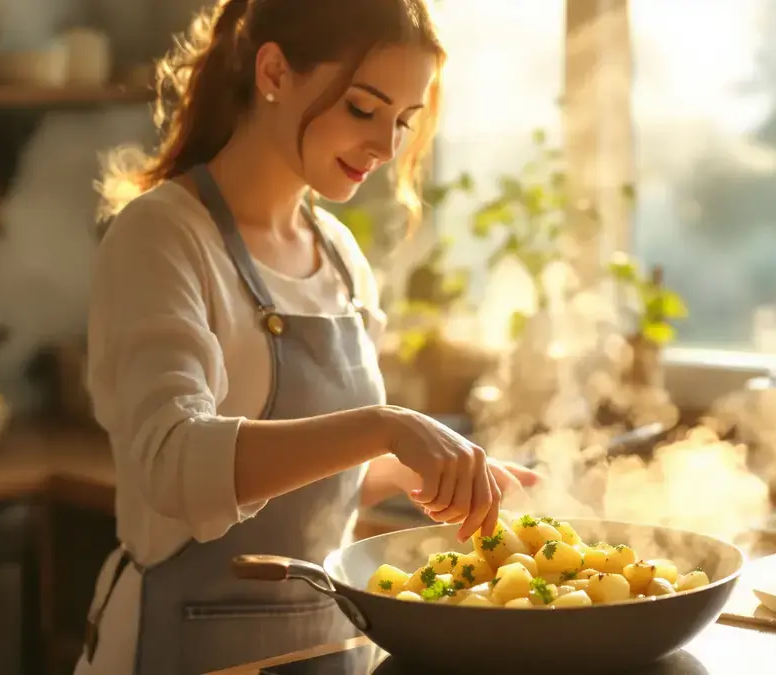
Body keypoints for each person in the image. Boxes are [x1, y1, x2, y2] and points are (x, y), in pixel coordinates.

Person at [74, 0, 539, 673]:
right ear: (273, 71)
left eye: (403, 122)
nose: (386, 148)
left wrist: (429, 471)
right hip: (181, 645)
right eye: (363, 108)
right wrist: (387, 424)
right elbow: (170, 462)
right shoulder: (163, 235)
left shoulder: (340, 255)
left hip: (329, 644)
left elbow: (320, 482)